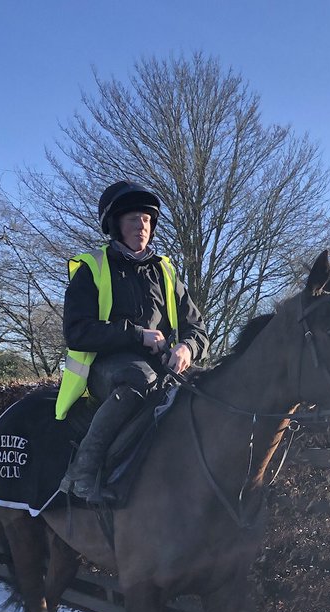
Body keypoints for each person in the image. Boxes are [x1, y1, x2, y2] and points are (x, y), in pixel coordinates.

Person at [56, 180, 209, 501]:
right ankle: (82, 469)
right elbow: (77, 332)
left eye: (147, 220)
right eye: (133, 219)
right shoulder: (92, 268)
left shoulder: (166, 271)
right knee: (141, 377)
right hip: (107, 368)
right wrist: (136, 334)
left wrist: (187, 348)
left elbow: (197, 329)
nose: (142, 225)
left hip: (161, 368)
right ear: (115, 225)